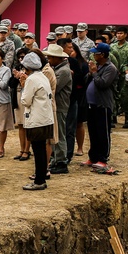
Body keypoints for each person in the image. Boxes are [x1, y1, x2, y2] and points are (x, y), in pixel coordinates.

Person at [17, 52, 54, 190]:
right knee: (42, 150)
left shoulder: (32, 79)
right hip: (46, 118)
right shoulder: (43, 76)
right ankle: (41, 177)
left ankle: (39, 181)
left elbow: (26, 101)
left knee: (38, 150)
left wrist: (23, 85)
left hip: (36, 119)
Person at [84, 43, 119, 169]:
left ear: (102, 54)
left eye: (96, 53)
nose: (94, 55)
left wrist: (94, 73)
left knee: (102, 132)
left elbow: (103, 84)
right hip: (92, 104)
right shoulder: (97, 66)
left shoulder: (111, 68)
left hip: (103, 104)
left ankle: (103, 158)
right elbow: (88, 81)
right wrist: (90, 73)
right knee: (92, 132)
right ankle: (93, 157)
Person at [44, 44, 72, 174]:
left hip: (60, 106)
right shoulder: (59, 69)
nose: (49, 59)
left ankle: (61, 161)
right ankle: (56, 159)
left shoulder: (63, 71)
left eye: (50, 57)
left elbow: (54, 87)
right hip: (58, 105)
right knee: (56, 133)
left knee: (59, 134)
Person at [111, 27, 128, 128]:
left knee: (126, 98)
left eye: (121, 33)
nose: (119, 35)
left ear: (126, 35)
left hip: (125, 76)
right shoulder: (112, 46)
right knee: (113, 96)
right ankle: (113, 117)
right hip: (113, 75)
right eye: (117, 33)